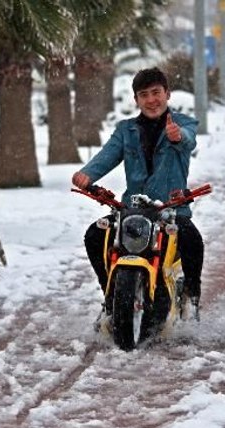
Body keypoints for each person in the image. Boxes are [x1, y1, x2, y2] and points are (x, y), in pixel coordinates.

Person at [71, 67, 204, 322]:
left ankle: (191, 294)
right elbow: (107, 155)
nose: (151, 100)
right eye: (144, 94)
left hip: (170, 209)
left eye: (156, 92)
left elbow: (188, 140)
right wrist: (87, 174)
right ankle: (110, 296)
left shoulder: (182, 124)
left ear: (167, 93)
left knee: (191, 240)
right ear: (136, 100)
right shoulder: (126, 130)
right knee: (94, 235)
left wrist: (177, 136)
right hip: (132, 209)